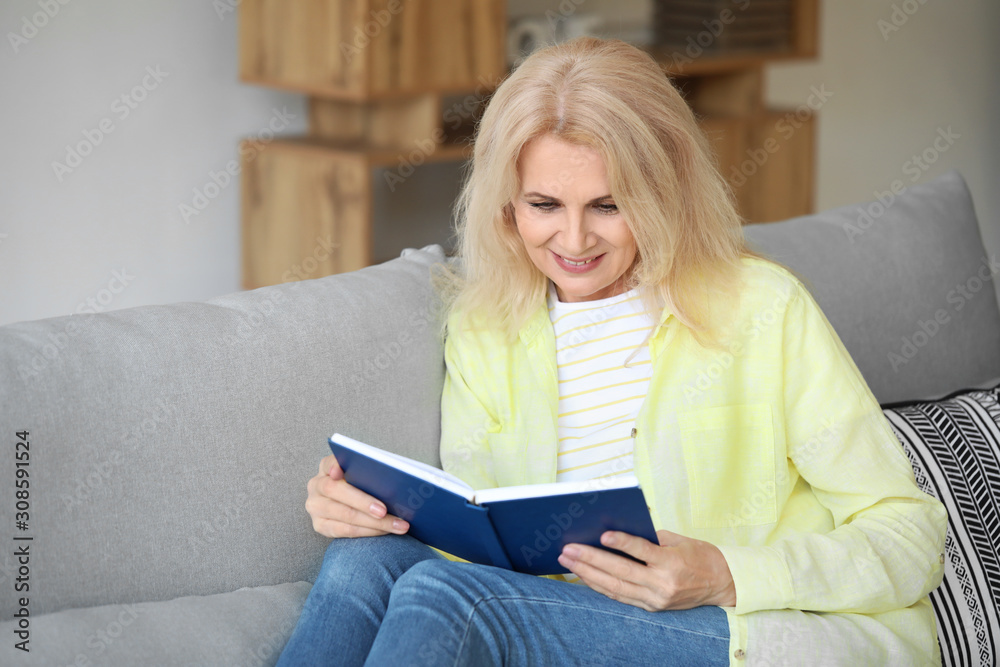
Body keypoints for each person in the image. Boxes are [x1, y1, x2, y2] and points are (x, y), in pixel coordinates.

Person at [277, 37, 947, 666]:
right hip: (554, 610)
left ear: (663, 192)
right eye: (544, 203)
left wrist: (723, 571)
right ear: (506, 204)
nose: (573, 239)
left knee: (450, 599)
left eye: (608, 205)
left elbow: (909, 535)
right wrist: (366, 508)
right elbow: (488, 545)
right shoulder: (486, 325)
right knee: (359, 562)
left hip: (745, 632)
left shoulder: (762, 308)